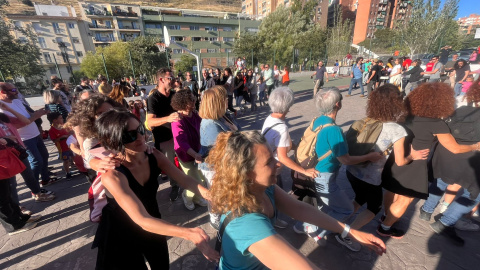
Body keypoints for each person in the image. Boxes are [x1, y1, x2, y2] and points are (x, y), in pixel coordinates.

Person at [208, 130, 386, 269]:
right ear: (247, 175)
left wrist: (349, 231)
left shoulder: (263, 188)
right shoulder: (245, 223)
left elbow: (300, 209)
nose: (278, 164)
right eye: (269, 161)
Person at [91, 109, 219, 269]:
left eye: (140, 130)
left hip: (154, 222)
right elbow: (141, 219)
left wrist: (213, 196)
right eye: (129, 135)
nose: (141, 137)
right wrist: (189, 233)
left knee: (161, 265)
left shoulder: (154, 155)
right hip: (121, 233)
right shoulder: (113, 175)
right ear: (113, 140)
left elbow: (184, 180)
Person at [380, 82, 480, 238]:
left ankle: (387, 216)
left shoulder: (405, 116)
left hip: (397, 158)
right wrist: (475, 146)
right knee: (404, 200)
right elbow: (455, 148)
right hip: (414, 164)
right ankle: (385, 227)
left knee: (392, 190)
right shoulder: (436, 124)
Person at [343, 84, 429, 251]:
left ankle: (338, 223)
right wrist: (413, 155)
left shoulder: (365, 121)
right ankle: (347, 234)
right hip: (370, 178)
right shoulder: (396, 129)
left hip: (352, 170)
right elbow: (400, 161)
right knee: (374, 208)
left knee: (359, 198)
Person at [293, 87, 382, 247]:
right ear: (337, 105)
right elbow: (346, 160)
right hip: (325, 176)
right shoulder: (334, 130)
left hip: (316, 171)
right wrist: (370, 156)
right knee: (345, 209)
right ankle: (310, 227)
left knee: (325, 206)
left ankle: (300, 226)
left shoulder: (318, 120)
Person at [419, 85, 480, 245]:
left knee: (441, 181)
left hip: (444, 152)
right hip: (469, 157)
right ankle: (445, 223)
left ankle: (426, 210)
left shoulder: (459, 101)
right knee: (474, 195)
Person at [261, 87, 319, 227]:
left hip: (267, 165)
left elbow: (282, 143)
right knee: (272, 196)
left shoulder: (270, 118)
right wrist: (304, 171)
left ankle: (272, 218)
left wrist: (296, 147)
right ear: (288, 106)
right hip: (273, 169)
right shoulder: (282, 128)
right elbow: (283, 157)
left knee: (271, 195)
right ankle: (271, 221)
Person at [0, 83, 59, 187]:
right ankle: (35, 189)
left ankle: (45, 179)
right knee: (36, 162)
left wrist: (39, 112)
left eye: (16, 88)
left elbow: (28, 116)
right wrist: (35, 116)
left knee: (44, 156)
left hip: (35, 134)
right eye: (13, 90)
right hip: (25, 139)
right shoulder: (2, 108)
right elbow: (16, 125)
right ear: (2, 92)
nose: (16, 91)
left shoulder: (17, 101)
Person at [198, 86, 240, 229]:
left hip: (224, 163)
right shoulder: (209, 123)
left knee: (222, 192)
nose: (228, 99)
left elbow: (236, 130)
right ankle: (214, 217)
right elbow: (219, 151)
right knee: (215, 194)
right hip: (213, 167)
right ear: (216, 102)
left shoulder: (221, 116)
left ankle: (221, 213)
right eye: (225, 98)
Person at [0, 104, 55, 202]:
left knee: (28, 174)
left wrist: (9, 109)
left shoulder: (3, 117)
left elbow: (25, 121)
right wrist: (5, 138)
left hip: (17, 149)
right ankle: (17, 210)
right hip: (4, 155)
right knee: (11, 183)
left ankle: (37, 194)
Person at [146, 68, 180, 201]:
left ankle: (187, 184)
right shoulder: (153, 98)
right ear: (161, 80)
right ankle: (174, 186)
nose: (173, 80)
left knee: (184, 161)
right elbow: (150, 122)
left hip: (179, 136)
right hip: (164, 139)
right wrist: (168, 118)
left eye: (173, 77)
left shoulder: (174, 95)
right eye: (170, 78)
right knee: (169, 165)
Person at [170, 89, 207, 211]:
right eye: (192, 99)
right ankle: (187, 196)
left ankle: (197, 198)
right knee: (194, 181)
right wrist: (195, 154)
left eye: (194, 97)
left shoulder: (194, 114)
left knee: (202, 178)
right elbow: (181, 143)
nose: (195, 100)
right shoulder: (177, 119)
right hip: (187, 155)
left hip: (198, 152)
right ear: (184, 103)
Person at [47, 112, 73, 179]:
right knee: (66, 161)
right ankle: (68, 173)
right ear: (55, 120)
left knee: (73, 158)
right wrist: (62, 137)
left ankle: (75, 167)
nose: (62, 119)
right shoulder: (52, 130)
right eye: (60, 118)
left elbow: (70, 131)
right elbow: (54, 140)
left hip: (70, 146)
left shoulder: (63, 125)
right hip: (62, 149)